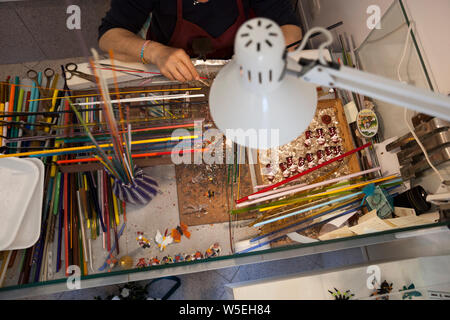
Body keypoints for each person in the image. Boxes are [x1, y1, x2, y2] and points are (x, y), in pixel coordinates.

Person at [99, 0, 302, 82]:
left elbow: (290, 29)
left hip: (240, 67)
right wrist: (155, 52)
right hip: (166, 65)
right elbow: (109, 36)